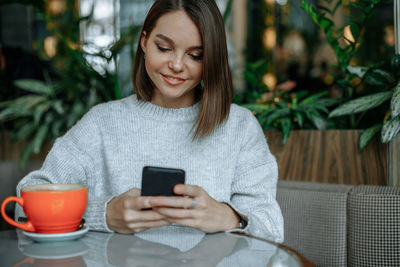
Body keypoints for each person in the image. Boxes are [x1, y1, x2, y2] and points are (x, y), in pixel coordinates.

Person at [16, 0, 283, 242]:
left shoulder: (239, 127)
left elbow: (272, 228)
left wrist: (230, 217)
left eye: (195, 55)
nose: (177, 65)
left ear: (212, 58)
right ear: (144, 42)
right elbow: (23, 205)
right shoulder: (102, 123)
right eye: (164, 48)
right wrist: (104, 213)